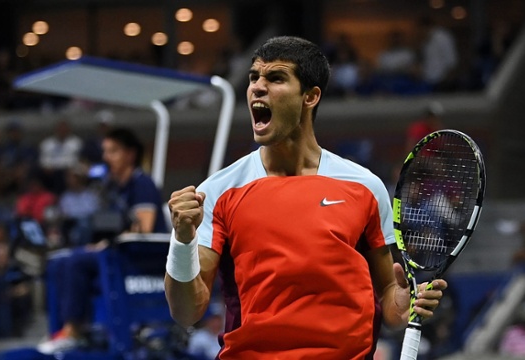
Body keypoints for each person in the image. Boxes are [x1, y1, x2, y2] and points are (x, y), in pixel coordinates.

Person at [164, 36, 448, 359]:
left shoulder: (365, 187)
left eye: (275, 78)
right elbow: (186, 311)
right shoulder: (218, 191)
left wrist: (403, 303)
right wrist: (182, 240)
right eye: (254, 77)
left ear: (310, 96)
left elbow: (388, 295)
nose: (258, 87)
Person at [37, 127, 168, 354]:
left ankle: (74, 330)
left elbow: (143, 228)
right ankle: (63, 330)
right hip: (117, 253)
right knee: (59, 261)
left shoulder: (142, 184)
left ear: (130, 154)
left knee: (75, 263)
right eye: (105, 151)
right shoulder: (112, 187)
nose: (106, 157)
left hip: (144, 259)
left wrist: (107, 245)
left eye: (113, 151)